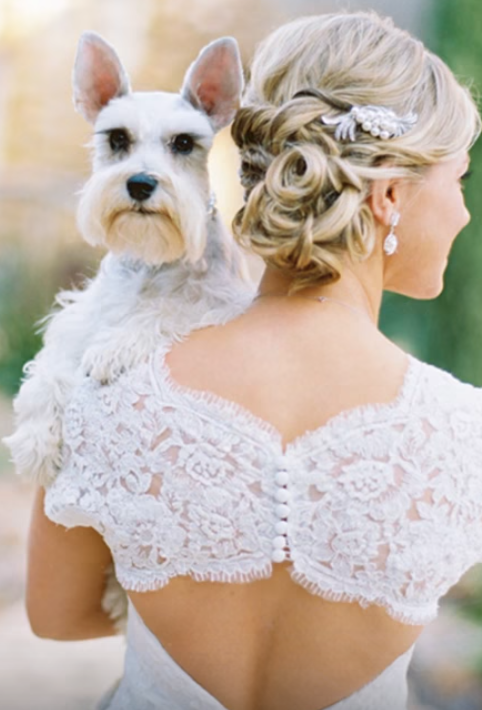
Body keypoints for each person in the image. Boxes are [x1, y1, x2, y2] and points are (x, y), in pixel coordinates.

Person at [26, 11, 481, 710]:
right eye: (461, 180)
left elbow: (56, 616)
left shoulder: (100, 384)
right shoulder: (464, 432)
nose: (464, 215)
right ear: (390, 195)